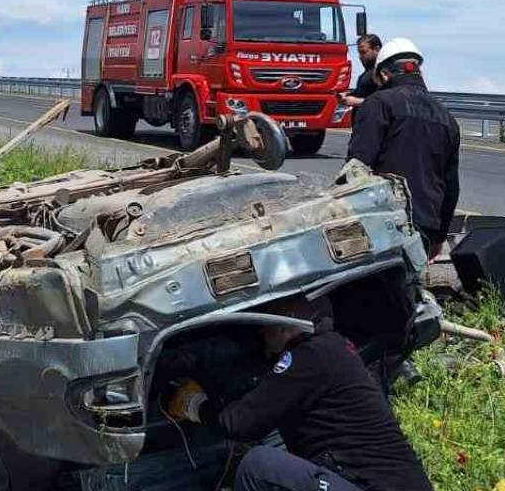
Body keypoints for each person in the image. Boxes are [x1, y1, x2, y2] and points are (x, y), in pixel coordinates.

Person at [166, 296, 433, 491]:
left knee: (259, 466)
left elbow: (238, 422)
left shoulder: (308, 356)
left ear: (285, 324)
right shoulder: (334, 349)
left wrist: (193, 404)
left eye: (268, 319)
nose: (261, 330)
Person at [346, 38, 461, 258]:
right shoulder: (447, 118)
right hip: (426, 225)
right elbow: (451, 187)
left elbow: (356, 168)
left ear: (385, 75)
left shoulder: (378, 103)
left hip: (381, 223)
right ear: (419, 73)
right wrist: (439, 238)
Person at [337, 34, 383, 118]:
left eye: (364, 52)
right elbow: (364, 92)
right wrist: (347, 95)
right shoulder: (367, 73)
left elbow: (383, 101)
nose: (360, 57)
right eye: (359, 53)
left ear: (377, 49)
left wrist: (356, 101)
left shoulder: (382, 73)